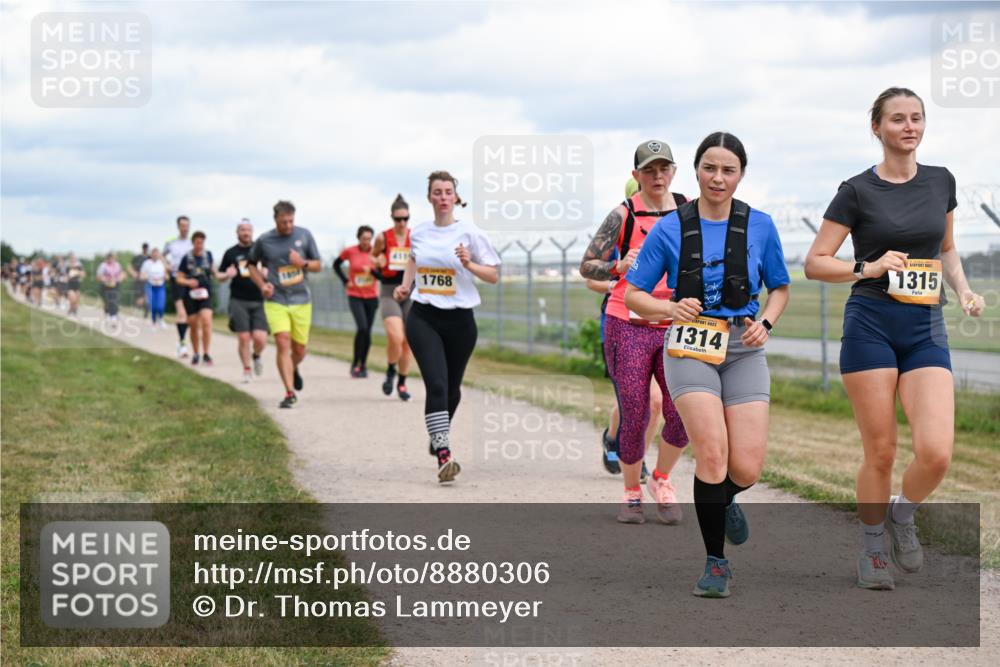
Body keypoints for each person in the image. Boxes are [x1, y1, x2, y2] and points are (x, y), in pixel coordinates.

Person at [804, 87, 986, 591]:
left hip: (925, 325)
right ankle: (872, 547)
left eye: (917, 118)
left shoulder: (941, 181)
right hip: (870, 324)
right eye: (898, 119)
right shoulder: (857, 190)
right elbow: (815, 262)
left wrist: (966, 290)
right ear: (877, 128)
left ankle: (902, 515)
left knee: (937, 452)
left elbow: (947, 249)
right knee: (881, 452)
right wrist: (869, 266)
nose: (909, 126)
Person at [625, 131, 791, 598]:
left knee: (748, 466)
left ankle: (726, 499)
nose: (718, 178)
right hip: (690, 347)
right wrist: (666, 309)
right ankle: (715, 562)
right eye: (709, 168)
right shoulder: (670, 227)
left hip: (743, 347)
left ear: (740, 175)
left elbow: (779, 286)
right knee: (713, 455)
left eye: (729, 169)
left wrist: (768, 322)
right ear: (696, 171)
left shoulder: (759, 225)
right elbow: (635, 293)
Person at [580, 141, 690, 526]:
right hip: (627, 322)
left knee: (683, 412)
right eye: (649, 170)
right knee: (637, 410)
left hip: (677, 322)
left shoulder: (691, 212)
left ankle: (661, 479)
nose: (657, 176)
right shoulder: (622, 215)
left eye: (664, 168)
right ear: (636, 175)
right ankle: (631, 493)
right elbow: (587, 265)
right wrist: (616, 267)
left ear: (674, 171)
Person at [394, 170, 500, 483]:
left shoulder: (470, 234)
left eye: (448, 192)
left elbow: (493, 275)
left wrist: (469, 264)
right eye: (437, 192)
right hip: (423, 316)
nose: (443, 197)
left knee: (452, 390)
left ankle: (436, 433)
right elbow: (413, 259)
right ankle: (444, 454)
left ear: (456, 197)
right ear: (429, 197)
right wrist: (406, 286)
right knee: (436, 385)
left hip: (461, 322)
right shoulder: (420, 232)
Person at [247, 200, 322, 408]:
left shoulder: (304, 235)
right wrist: (262, 285)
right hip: (276, 299)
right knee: (282, 341)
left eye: (290, 221)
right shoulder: (264, 240)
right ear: (276, 220)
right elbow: (251, 265)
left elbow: (317, 265)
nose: (288, 226)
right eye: (283, 222)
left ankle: (293, 367)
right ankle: (289, 392)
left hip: (301, 301)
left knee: (300, 350)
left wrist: (303, 263)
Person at [371, 194, 414, 401]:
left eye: (406, 218)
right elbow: (372, 258)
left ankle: (402, 383)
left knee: (408, 341)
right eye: (398, 219)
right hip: (389, 291)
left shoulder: (415, 237)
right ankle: (390, 370)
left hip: (410, 291)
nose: (402, 223)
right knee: (396, 337)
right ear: (391, 218)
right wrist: (377, 260)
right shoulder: (382, 237)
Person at [217, 219, 269, 383]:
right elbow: (219, 275)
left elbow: (271, 269)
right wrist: (226, 275)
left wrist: (266, 273)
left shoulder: (260, 251)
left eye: (248, 230)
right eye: (242, 230)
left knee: (260, 338)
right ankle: (247, 370)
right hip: (239, 299)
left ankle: (257, 355)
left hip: (259, 299)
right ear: (237, 232)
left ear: (252, 232)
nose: (246, 233)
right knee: (244, 337)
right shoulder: (231, 253)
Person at [334, 225, 380, 378]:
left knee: (367, 332)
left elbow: (382, 274)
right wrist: (345, 280)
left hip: (372, 297)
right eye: (363, 239)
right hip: (355, 295)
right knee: (362, 327)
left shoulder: (377, 252)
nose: (366, 242)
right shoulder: (350, 251)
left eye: (369, 239)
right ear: (358, 238)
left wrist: (372, 271)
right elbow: (336, 264)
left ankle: (363, 365)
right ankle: (355, 363)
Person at [176, 231, 216, 366]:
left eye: (202, 243)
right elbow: (179, 278)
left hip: (205, 294)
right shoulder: (186, 258)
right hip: (191, 296)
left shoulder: (208, 256)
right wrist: (189, 282)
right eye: (197, 243)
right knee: (193, 325)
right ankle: (196, 353)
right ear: (193, 243)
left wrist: (227, 274)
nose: (200, 245)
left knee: (206, 320)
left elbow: (215, 273)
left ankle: (206, 354)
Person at [164, 216, 194, 358]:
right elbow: (162, 256)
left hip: (190, 280)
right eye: (182, 225)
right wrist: (167, 266)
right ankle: (182, 344)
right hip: (176, 278)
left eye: (187, 225)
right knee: (181, 313)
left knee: (189, 315)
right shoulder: (171, 242)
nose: (185, 228)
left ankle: (182, 340)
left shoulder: (192, 243)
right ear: (178, 227)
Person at [140, 247, 168, 328]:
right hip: (150, 285)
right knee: (152, 304)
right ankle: (153, 321)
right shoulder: (146, 263)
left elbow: (166, 275)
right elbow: (142, 275)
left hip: (160, 286)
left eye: (157, 253)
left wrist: (163, 277)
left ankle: (161, 319)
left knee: (160, 305)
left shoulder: (161, 263)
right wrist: (149, 277)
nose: (155, 255)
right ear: (151, 254)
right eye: (154, 253)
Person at [96, 252, 124, 322]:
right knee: (107, 301)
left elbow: (122, 273)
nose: (111, 260)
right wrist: (106, 280)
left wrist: (119, 279)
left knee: (114, 299)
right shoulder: (103, 265)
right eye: (109, 258)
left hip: (115, 285)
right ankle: (108, 313)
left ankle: (114, 315)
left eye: (112, 258)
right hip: (106, 285)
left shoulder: (117, 265)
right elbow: (98, 276)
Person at [128, 242, 150, 318]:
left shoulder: (149, 258)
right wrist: (133, 273)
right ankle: (138, 310)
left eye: (146, 248)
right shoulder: (137, 257)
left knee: (146, 296)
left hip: (147, 280)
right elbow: (129, 266)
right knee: (139, 297)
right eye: (144, 248)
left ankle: (146, 313)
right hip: (138, 280)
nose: (145, 249)